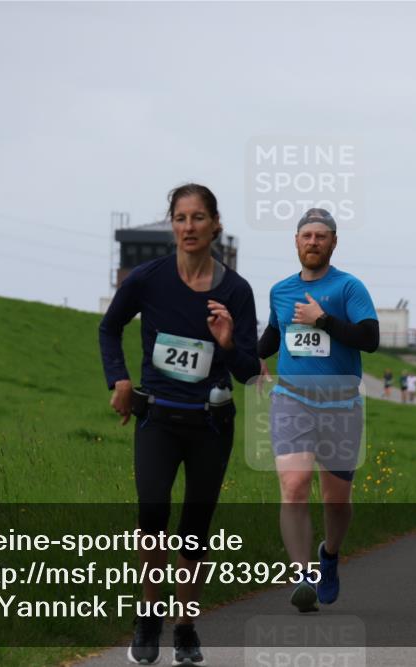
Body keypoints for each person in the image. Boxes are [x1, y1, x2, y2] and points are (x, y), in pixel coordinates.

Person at [98, 183, 260, 666]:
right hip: (158, 418)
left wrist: (229, 343)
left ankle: (185, 625)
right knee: (152, 516)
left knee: (194, 529)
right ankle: (148, 617)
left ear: (215, 225)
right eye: (180, 218)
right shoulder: (148, 279)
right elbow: (109, 327)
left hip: (211, 424)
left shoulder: (236, 290)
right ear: (173, 224)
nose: (188, 227)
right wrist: (120, 379)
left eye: (198, 218)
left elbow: (251, 373)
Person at [257, 208, 379, 613]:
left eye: (320, 236)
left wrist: (322, 319)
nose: (313, 242)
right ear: (295, 242)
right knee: (293, 486)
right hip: (291, 399)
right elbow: (273, 338)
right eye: (306, 235)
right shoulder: (280, 291)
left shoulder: (349, 288)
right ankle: (303, 575)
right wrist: (242, 354)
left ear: (333, 242)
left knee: (336, 502)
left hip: (341, 405)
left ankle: (329, 554)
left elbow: (369, 339)